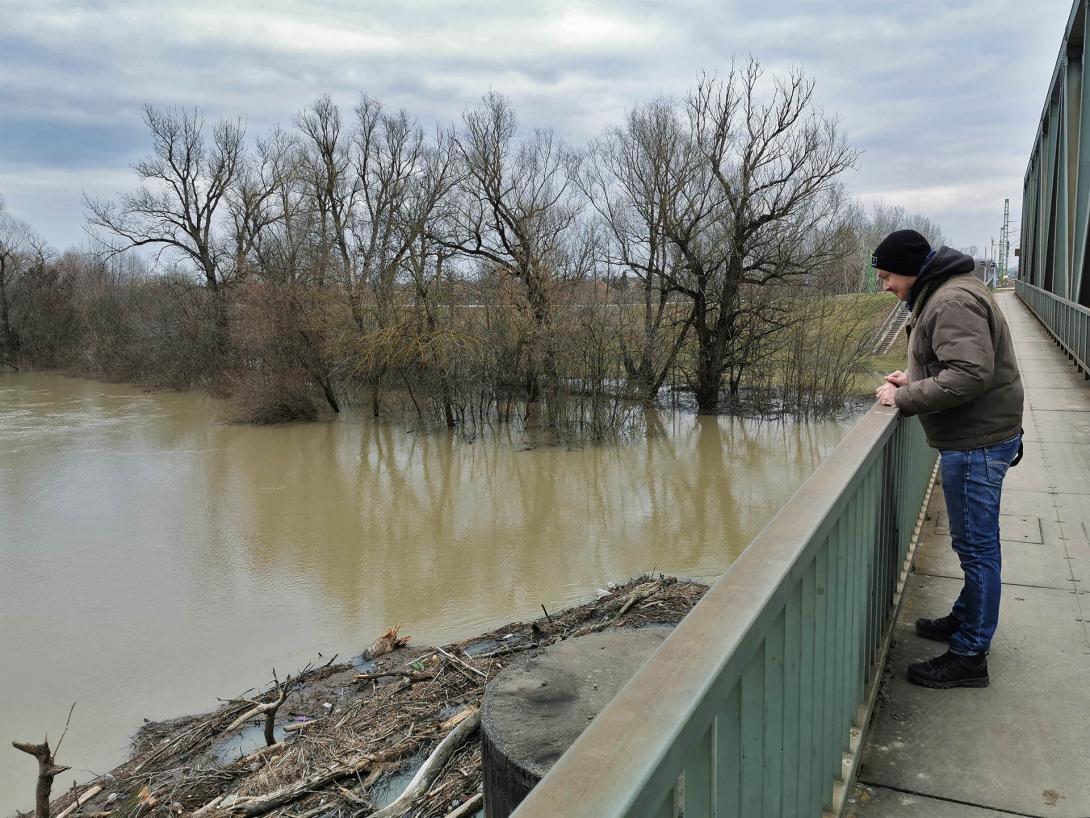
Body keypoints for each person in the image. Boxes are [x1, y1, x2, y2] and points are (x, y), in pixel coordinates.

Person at [872, 229, 1023, 689]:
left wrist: (905, 397)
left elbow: (970, 374)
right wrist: (915, 375)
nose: (886, 286)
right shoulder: (947, 290)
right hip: (980, 436)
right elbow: (957, 362)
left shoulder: (950, 300)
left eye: (887, 276)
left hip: (977, 443)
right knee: (975, 545)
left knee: (977, 549)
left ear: (910, 270)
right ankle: (967, 617)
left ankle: (970, 655)